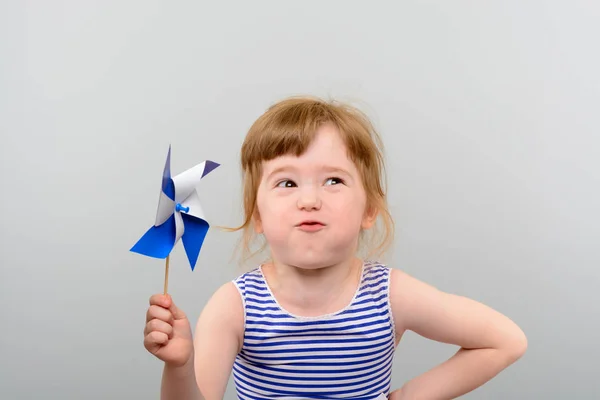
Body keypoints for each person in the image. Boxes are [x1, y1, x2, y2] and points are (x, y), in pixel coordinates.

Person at [143, 96, 528, 400]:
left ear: (370, 209)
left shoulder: (391, 295)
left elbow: (506, 340)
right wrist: (180, 366)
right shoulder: (234, 307)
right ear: (257, 215)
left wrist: (408, 396)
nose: (309, 200)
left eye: (333, 181)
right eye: (287, 184)